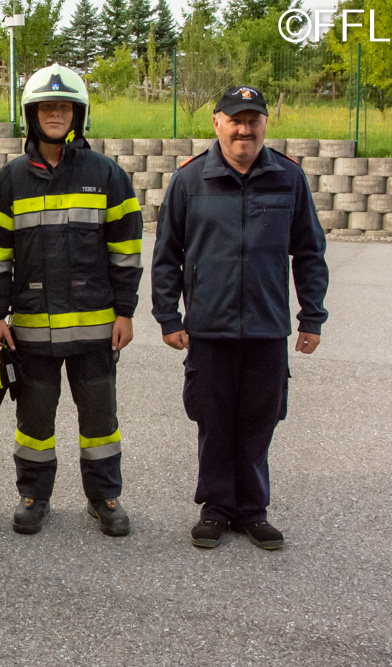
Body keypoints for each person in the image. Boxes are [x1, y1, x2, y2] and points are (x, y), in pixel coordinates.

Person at [151, 85, 329, 550]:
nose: (244, 129)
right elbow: (167, 254)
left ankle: (252, 510)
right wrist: (168, 316)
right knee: (213, 421)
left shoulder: (289, 178)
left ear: (266, 124)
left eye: (253, 120)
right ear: (217, 123)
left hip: (267, 328)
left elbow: (309, 252)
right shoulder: (190, 179)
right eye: (235, 120)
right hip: (208, 328)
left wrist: (312, 317)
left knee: (259, 421)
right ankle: (215, 508)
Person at [0, 64, 143, 537]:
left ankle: (104, 496)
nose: (55, 114)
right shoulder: (10, 180)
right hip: (32, 330)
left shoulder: (106, 174)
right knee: (34, 420)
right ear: (31, 115)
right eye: (47, 107)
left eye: (64, 107)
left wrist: (126, 312)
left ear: (78, 115)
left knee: (100, 420)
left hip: (95, 329)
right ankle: (33, 495)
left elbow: (126, 251)